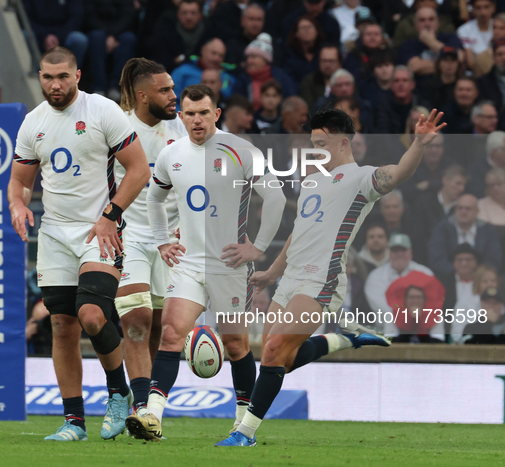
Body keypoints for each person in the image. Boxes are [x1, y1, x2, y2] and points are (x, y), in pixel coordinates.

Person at [213, 107, 445, 447]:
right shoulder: (311, 181)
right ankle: (345, 339)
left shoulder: (360, 178)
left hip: (322, 280)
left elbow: (397, 175)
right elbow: (298, 232)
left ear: (343, 143)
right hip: (289, 279)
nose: (315, 150)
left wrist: (419, 145)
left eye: (321, 143)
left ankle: (243, 433)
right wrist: (272, 273)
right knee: (280, 359)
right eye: (312, 143)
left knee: (275, 350)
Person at [125, 84, 287, 440]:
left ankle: (242, 424)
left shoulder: (241, 150)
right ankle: (152, 417)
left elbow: (275, 198)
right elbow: (154, 199)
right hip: (187, 264)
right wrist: (162, 240)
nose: (196, 120)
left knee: (235, 345)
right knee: (170, 335)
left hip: (229, 266)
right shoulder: (172, 154)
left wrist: (257, 248)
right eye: (190, 113)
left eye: (203, 113)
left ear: (216, 114)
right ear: (180, 116)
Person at [8, 47, 150, 441]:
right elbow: (19, 180)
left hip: (99, 229)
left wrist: (111, 215)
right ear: (39, 76)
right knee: (61, 324)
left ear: (78, 75)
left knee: (91, 315)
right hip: (55, 232)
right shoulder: (32, 123)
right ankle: (74, 422)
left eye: (63, 77)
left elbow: (139, 170)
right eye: (48, 77)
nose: (55, 85)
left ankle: (118, 393)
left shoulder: (103, 112)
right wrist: (17, 204)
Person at [114, 58, 188, 415]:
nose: (174, 95)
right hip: (128, 234)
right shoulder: (117, 128)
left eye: (173, 88)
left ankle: (148, 404)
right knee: (136, 319)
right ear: (143, 96)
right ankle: (141, 408)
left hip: (170, 241)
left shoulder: (184, 132)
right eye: (165, 90)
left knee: (160, 326)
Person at [428, 194, 502, 275]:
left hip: (480, 279)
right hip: (449, 278)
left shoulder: (488, 230)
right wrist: (459, 273)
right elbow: (437, 258)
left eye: (468, 209)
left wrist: (477, 274)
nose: (463, 212)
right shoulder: (442, 228)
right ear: (455, 209)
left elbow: (493, 259)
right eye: (460, 208)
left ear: (476, 211)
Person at [84, 0, 137, 100]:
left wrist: (113, 35)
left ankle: (116, 86)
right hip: (98, 29)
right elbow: (90, 16)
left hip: (120, 30)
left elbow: (128, 16)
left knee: (129, 39)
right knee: (96, 38)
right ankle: (98, 87)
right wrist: (107, 34)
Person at [23, 0, 88, 68]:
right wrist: (45, 36)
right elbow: (26, 18)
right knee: (24, 36)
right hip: (38, 32)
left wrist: (58, 37)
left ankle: (69, 75)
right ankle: (33, 73)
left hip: (64, 33)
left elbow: (76, 18)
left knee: (79, 40)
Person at [457, 0, 496, 75]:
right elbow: (470, 61)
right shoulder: (464, 30)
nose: (483, 12)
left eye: (486, 7)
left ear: (493, 8)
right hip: (477, 72)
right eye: (478, 8)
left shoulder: (499, 27)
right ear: (473, 9)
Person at [299, 44, 342, 111]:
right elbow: (309, 108)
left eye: (331, 61)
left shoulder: (347, 80)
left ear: (339, 63)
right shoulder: (309, 81)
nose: (327, 65)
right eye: (324, 61)